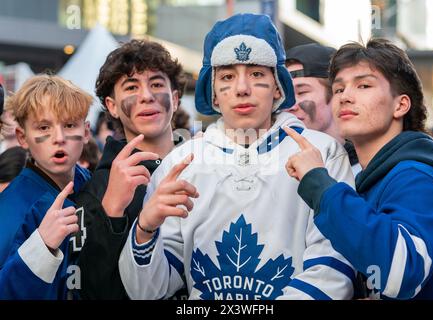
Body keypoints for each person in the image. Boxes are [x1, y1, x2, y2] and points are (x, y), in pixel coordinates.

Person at [119, 13, 355, 300]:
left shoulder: (322, 153)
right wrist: (145, 229)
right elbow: (148, 292)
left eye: (257, 74)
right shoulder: (179, 164)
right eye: (228, 76)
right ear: (214, 94)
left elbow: (333, 268)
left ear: (278, 88)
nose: (242, 88)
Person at [284, 38, 433, 299]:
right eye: (338, 89)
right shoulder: (372, 175)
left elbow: (401, 273)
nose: (345, 97)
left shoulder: (419, 174)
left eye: (363, 85)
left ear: (400, 105)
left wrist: (320, 184)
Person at [74, 39, 186, 299]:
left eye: (157, 84)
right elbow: (92, 289)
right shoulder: (98, 187)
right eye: (131, 87)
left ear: (176, 98)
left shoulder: (204, 165)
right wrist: (112, 211)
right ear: (112, 106)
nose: (146, 96)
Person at [0, 74, 92, 299]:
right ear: (22, 137)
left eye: (69, 125)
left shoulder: (96, 185)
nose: (59, 138)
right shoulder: (10, 211)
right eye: (43, 128)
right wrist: (41, 248)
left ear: (87, 132)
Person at [285, 43, 360, 174]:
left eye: (302, 92)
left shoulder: (367, 167)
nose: (290, 106)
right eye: (284, 96)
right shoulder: (275, 165)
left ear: (337, 93)